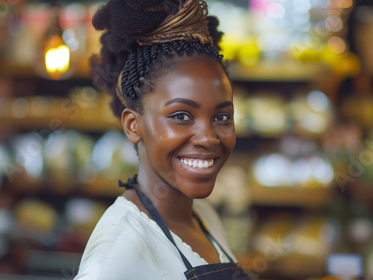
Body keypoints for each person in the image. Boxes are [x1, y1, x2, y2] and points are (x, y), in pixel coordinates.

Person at [75, 0, 249, 279]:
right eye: (181, 116)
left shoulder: (205, 216)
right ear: (134, 125)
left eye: (221, 117)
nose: (208, 138)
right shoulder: (119, 251)